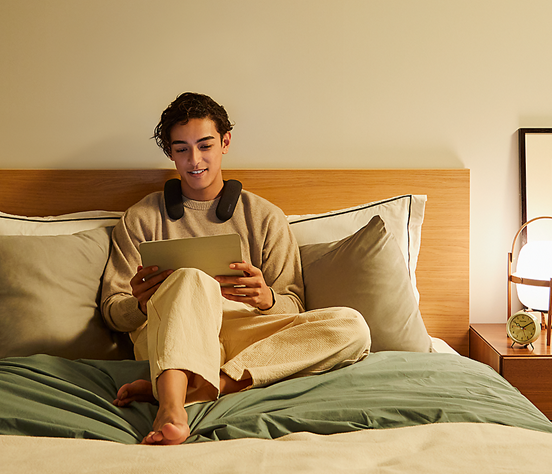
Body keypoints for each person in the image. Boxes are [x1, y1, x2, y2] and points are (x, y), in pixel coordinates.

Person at [100, 92, 370, 446]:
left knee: (353, 327)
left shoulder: (266, 217)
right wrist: (138, 304)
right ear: (170, 153)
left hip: (243, 337)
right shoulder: (141, 219)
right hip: (170, 337)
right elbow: (112, 313)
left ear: (225, 142)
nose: (194, 160)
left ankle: (198, 386)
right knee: (190, 278)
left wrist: (267, 299)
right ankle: (170, 408)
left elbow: (295, 307)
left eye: (205, 145)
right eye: (181, 149)